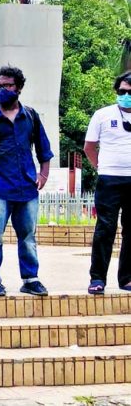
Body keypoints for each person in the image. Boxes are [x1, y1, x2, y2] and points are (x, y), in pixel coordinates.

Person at [0, 66, 54, 297]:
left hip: (27, 188)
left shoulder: (30, 116)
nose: (1, 90)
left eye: (6, 85)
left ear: (18, 87)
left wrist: (43, 174)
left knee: (28, 236)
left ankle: (30, 278)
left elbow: (44, 150)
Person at [83, 71, 131, 294]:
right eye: (122, 91)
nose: (125, 95)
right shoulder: (102, 115)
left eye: (129, 92)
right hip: (109, 179)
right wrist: (101, 167)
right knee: (105, 228)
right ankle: (97, 279)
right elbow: (89, 147)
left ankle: (127, 278)